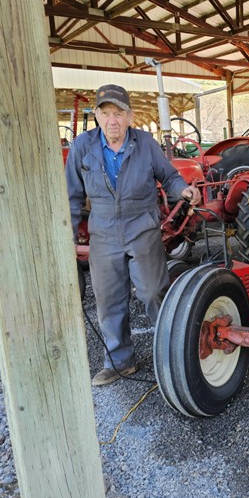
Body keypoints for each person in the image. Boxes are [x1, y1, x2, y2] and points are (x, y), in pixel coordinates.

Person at [65, 84, 201, 386]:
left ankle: (171, 355)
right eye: (106, 113)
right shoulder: (82, 147)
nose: (112, 120)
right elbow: (73, 195)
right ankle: (120, 362)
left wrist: (184, 190)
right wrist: (69, 236)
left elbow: (169, 176)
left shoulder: (146, 144)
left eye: (119, 113)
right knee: (109, 299)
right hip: (103, 231)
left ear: (130, 116)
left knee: (153, 291)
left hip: (142, 226)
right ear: (97, 116)